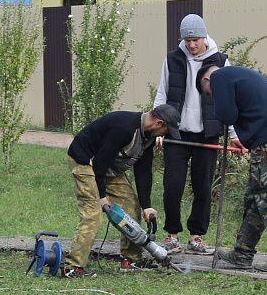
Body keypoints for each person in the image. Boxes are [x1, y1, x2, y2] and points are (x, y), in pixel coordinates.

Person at [199, 65, 267, 273]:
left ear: (206, 81)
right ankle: (242, 253)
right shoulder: (237, 75)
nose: (213, 97)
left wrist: (221, 111)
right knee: (255, 197)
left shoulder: (218, 76)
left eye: (209, 94)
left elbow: (226, 114)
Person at [62, 104, 181, 279]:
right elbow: (99, 163)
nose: (165, 135)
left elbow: (143, 171)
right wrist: (102, 198)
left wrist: (146, 206)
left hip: (107, 166)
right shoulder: (125, 128)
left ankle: (131, 260)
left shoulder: (147, 137)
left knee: (131, 204)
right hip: (85, 161)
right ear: (158, 123)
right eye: (166, 130)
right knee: (93, 213)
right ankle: (73, 267)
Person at [152, 14, 228, 255]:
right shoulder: (172, 60)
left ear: (204, 37)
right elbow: (162, 95)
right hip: (176, 133)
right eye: (187, 40)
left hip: (207, 134)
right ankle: (172, 235)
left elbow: (230, 100)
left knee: (202, 186)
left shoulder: (221, 61)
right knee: (172, 185)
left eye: (195, 40)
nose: (191, 45)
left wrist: (234, 134)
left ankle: (197, 237)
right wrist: (157, 128)